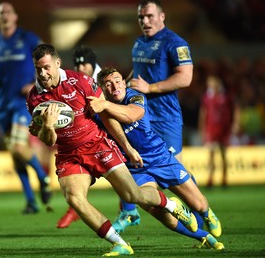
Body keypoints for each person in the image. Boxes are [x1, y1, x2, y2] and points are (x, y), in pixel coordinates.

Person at [26, 43, 197, 256]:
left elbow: (105, 114)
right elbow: (47, 139)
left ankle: (172, 206)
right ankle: (119, 244)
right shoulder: (35, 98)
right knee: (74, 198)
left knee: (133, 195)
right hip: (69, 153)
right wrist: (48, 126)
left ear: (57, 63)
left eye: (46, 67)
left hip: (97, 144)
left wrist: (127, 146)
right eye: (38, 69)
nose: (42, 73)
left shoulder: (80, 82)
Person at [90, 67, 224, 250]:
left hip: (160, 158)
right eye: (108, 84)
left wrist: (104, 105)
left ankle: (207, 214)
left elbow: (132, 115)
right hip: (135, 168)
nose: (115, 86)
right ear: (102, 89)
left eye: (118, 81)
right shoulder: (99, 112)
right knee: (163, 215)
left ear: (123, 82)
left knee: (198, 203)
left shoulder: (135, 96)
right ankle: (203, 235)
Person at [119, 0, 199, 232]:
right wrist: (125, 85)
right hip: (142, 117)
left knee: (176, 170)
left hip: (165, 117)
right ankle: (130, 211)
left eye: (150, 16)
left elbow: (185, 77)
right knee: (133, 164)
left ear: (162, 16)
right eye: (141, 17)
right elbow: (138, 73)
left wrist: (150, 88)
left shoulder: (175, 43)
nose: (145, 21)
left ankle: (201, 214)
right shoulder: (138, 43)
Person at [56, 46, 141, 230]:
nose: (79, 68)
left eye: (83, 64)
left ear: (92, 63)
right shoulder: (76, 80)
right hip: (95, 130)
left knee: (122, 166)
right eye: (77, 64)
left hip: (115, 126)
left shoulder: (103, 80)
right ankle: (126, 209)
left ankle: (130, 210)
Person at [0, 2, 52, 214]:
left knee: (19, 148)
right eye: (0, 13)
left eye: (8, 12)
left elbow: (48, 62)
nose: (4, 16)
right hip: (2, 104)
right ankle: (30, 201)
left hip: (24, 102)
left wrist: (36, 84)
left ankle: (43, 177)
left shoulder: (28, 39)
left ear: (15, 17)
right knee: (14, 154)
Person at [199, 75, 238, 187]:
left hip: (223, 129)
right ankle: (210, 178)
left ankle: (224, 178)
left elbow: (235, 108)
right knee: (211, 155)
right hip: (212, 129)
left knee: (223, 154)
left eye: (212, 83)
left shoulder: (226, 96)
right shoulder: (207, 97)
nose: (210, 86)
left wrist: (235, 123)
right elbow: (203, 112)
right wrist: (202, 127)